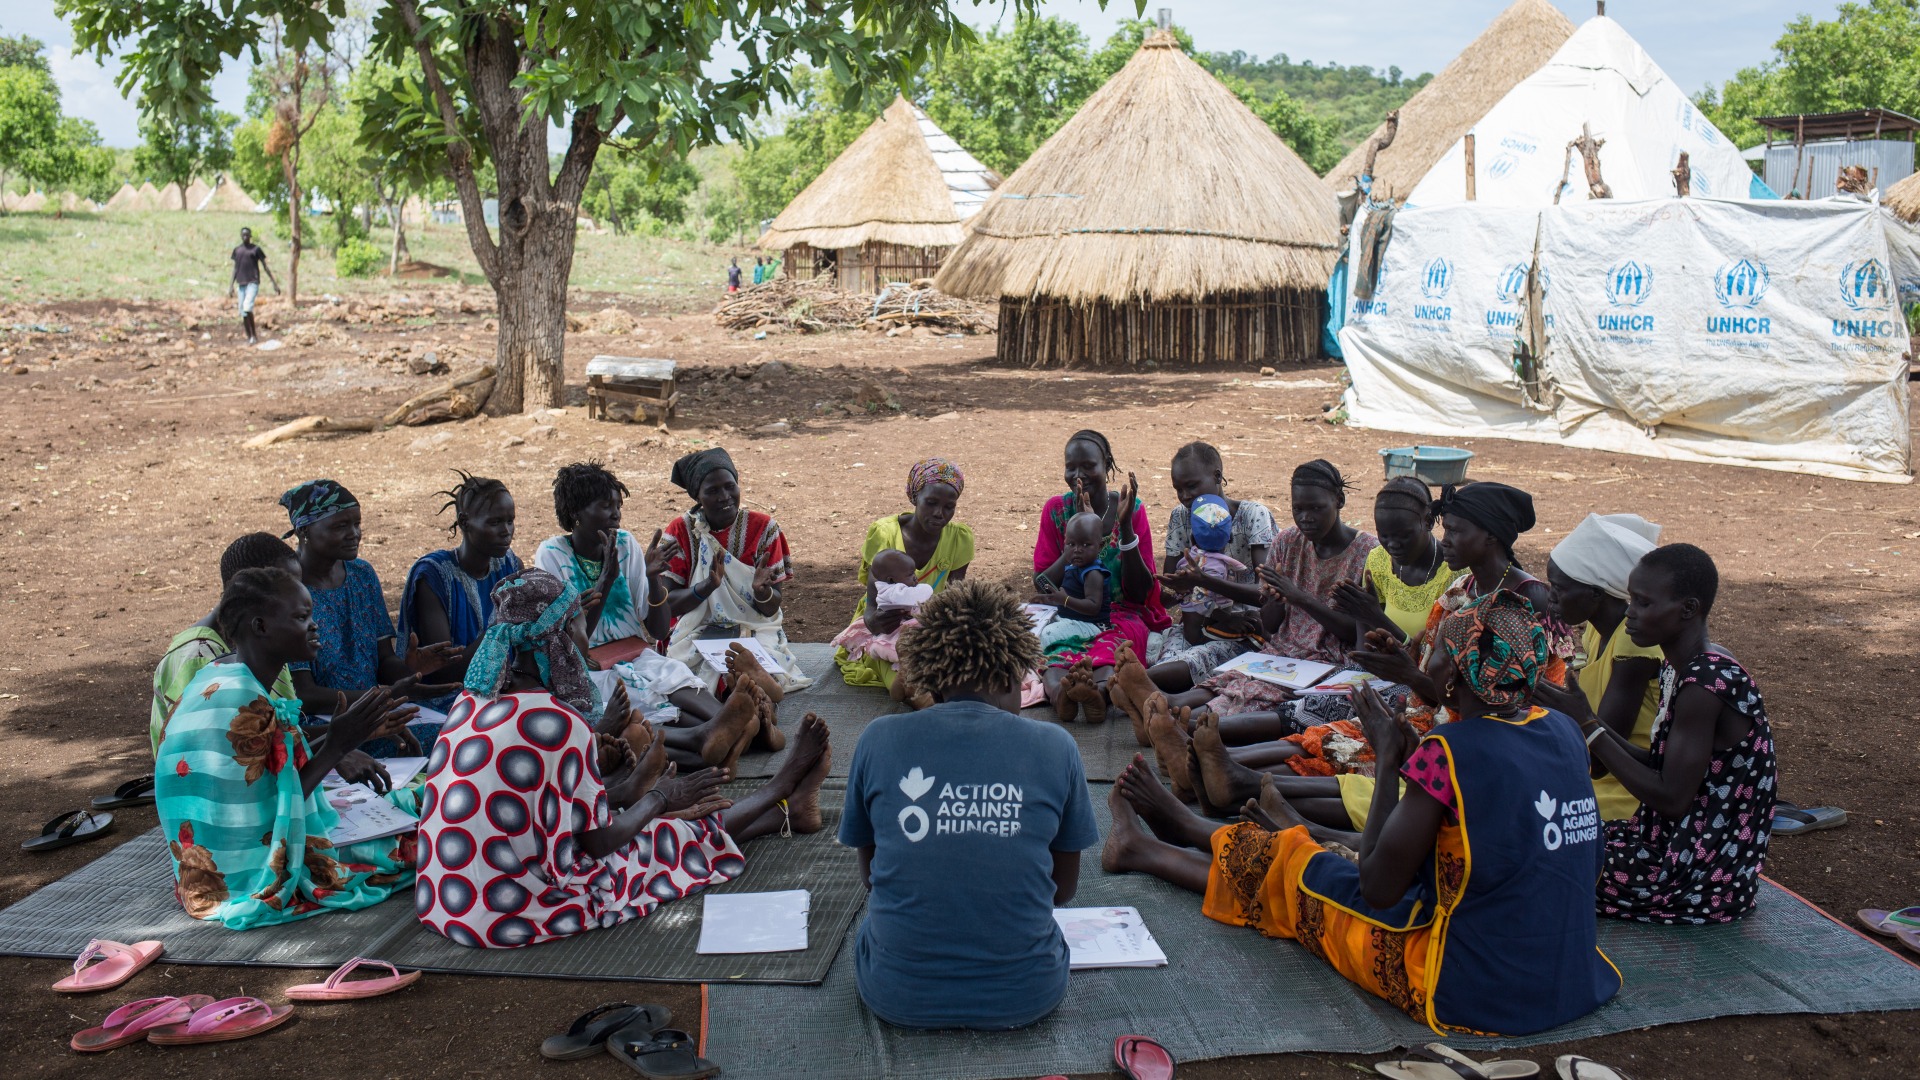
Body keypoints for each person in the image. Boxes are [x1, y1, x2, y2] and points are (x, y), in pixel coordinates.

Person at [1101, 590, 1620, 1037]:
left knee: (1307, 872)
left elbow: (1376, 888)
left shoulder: (1450, 750)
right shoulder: (1562, 731)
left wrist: (1391, 761)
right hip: (1573, 977)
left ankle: (1149, 847)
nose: (1428, 662)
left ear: (1455, 676)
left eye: (1438, 652)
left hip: (1467, 986)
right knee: (1345, 855)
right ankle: (1197, 830)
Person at [415, 568, 833, 949]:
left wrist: (633, 796)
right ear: (561, 636)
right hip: (513, 912)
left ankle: (787, 812)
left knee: (650, 819)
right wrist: (660, 799)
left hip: (444, 901)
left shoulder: (469, 702)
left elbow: (540, 809)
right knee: (662, 837)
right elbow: (597, 844)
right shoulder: (559, 722)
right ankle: (779, 788)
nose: (586, 635)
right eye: (581, 623)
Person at [841, 579, 1099, 1030]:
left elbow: (869, 877)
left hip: (896, 992)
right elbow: (1062, 890)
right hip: (1028, 993)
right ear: (1010, 675)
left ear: (930, 676)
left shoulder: (879, 738)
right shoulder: (1055, 746)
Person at [156, 568, 425, 929]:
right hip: (247, 871)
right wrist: (336, 746)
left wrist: (342, 740)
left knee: (412, 801)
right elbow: (278, 814)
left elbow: (271, 784)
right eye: (301, 617)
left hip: (205, 872)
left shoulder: (217, 674)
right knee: (422, 831)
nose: (314, 626)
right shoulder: (247, 701)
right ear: (260, 626)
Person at [1539, 544, 1777, 925]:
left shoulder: (1705, 684)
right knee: (1549, 837)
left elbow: (1671, 798)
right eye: (1631, 599)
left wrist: (1587, 726)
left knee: (1544, 865)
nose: (1629, 612)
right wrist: (1587, 720)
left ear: (1688, 609)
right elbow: (1660, 763)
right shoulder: (1679, 666)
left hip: (1698, 875)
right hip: (1667, 842)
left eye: (1644, 603)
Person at [1162, 460, 1378, 712]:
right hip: (1282, 653)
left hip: (1332, 659)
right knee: (1230, 682)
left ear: (1339, 500)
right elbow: (1271, 626)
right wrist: (1276, 601)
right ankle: (1170, 707)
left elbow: (1356, 633)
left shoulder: (1366, 552)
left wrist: (1299, 598)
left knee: (1253, 693)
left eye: (1316, 508)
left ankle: (1184, 720)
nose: (1305, 518)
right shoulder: (1288, 541)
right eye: (1297, 509)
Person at [534, 462, 719, 726]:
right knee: (642, 697)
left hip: (635, 654)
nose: (616, 514)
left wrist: (652, 579)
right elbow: (573, 644)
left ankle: (734, 723)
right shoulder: (552, 555)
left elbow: (657, 631)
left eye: (618, 506)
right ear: (575, 512)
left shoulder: (625, 543)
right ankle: (721, 730)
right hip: (589, 668)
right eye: (605, 506)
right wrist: (606, 580)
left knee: (673, 674)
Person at [281, 479, 461, 751]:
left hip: (376, 705)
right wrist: (382, 697)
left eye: (357, 524)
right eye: (340, 526)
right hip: (327, 722)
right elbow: (305, 695)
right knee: (448, 737)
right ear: (303, 530)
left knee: (467, 711)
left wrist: (410, 673)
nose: (354, 534)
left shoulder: (362, 574)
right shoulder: (289, 590)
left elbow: (384, 658)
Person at [1032, 430, 1169, 712]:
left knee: (1113, 651)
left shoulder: (1130, 509)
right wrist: (1073, 545)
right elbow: (1042, 585)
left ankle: (1100, 694)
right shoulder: (1057, 510)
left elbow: (1140, 592)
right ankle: (1060, 696)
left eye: (1088, 466)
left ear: (1106, 465)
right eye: (1070, 467)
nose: (1078, 476)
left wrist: (1126, 528)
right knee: (1057, 650)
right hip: (1071, 612)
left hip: (1121, 614)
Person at [657, 448, 813, 692]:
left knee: (759, 660)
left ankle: (752, 690)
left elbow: (771, 609)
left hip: (754, 624)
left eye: (730, 486)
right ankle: (751, 695)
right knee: (695, 674)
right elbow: (668, 606)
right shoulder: (680, 531)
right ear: (697, 496)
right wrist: (706, 587)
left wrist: (762, 593)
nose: (724, 497)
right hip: (695, 627)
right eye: (712, 491)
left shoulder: (764, 528)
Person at [1542, 513, 1664, 821]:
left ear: (1595, 593)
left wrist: (1547, 700)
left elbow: (1600, 763)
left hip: (1624, 794)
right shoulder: (1598, 631)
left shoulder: (1633, 645)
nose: (1550, 597)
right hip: (1592, 776)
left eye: (1559, 588)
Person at [151, 532, 303, 756]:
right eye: (288, 591)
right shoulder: (197, 655)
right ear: (249, 593)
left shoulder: (264, 641)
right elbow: (211, 751)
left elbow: (284, 733)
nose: (300, 597)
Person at [834, 457, 974, 691]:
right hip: (883, 627)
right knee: (903, 672)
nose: (939, 513)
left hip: (930, 623)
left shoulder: (959, 538)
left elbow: (954, 601)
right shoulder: (885, 533)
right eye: (931, 503)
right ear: (915, 497)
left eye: (949, 506)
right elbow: (871, 607)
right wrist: (878, 623)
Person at [1147, 442, 1278, 684]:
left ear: (1217, 476)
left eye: (1191, 486)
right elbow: (1169, 593)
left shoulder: (1253, 516)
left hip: (1246, 626)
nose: (1185, 496)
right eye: (1178, 489)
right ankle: (1133, 686)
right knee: (1168, 660)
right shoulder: (1181, 516)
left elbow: (1265, 593)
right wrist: (1179, 589)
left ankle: (1123, 685)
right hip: (1198, 621)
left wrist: (1204, 581)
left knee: (1194, 661)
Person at [398, 473, 525, 707]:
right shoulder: (434, 576)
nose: (507, 530)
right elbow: (443, 671)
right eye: (495, 522)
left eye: (510, 521)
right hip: (447, 698)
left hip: (504, 689)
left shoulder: (510, 566)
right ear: (464, 522)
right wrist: (499, 628)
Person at [830, 549, 932, 698]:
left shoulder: (895, 584)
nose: (916, 578)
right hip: (892, 632)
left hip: (905, 627)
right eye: (911, 575)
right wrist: (927, 590)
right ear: (891, 579)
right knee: (906, 653)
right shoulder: (892, 591)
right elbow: (922, 593)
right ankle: (907, 671)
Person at [225, 226, 280, 345]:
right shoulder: (237, 250)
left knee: (247, 307)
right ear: (241, 236)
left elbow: (265, 266)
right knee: (243, 312)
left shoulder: (256, 249)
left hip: (252, 282)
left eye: (247, 235)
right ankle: (249, 337)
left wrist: (274, 283)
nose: (245, 237)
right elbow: (235, 268)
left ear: (250, 236)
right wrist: (230, 286)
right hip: (241, 283)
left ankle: (254, 335)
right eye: (243, 235)